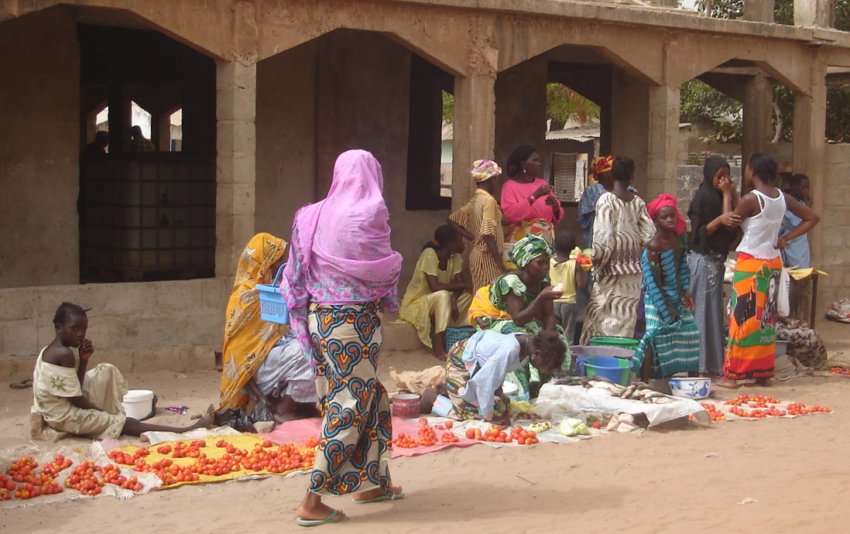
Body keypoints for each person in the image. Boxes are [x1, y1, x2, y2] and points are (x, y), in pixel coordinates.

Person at [281, 150, 403, 527]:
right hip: (354, 324)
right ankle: (312, 500)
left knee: (372, 396)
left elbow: (295, 269)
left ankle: (372, 481)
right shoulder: (370, 212)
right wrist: (389, 295)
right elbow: (381, 268)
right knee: (349, 404)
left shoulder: (309, 215)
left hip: (321, 320)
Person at [31, 302, 213, 439]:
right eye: (75, 329)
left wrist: (84, 360)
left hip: (61, 404)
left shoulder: (52, 349)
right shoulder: (63, 354)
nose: (80, 334)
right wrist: (101, 413)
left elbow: (73, 387)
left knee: (105, 370)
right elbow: (76, 399)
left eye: (84, 329)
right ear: (58, 328)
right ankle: (186, 430)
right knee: (122, 423)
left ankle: (113, 413)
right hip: (61, 415)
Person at [720, 153, 819, 388]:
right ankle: (763, 372)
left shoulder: (751, 199)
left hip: (751, 263)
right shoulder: (781, 198)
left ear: (752, 171)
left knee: (741, 318)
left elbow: (730, 219)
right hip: (772, 263)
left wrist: (726, 195)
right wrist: (785, 238)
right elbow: (812, 218)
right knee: (765, 321)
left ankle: (734, 376)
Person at [217, 233, 318, 428]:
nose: (281, 263)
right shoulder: (246, 298)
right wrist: (262, 398)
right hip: (258, 370)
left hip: (274, 358)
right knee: (307, 350)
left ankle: (302, 404)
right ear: (263, 262)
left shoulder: (273, 290)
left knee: (317, 341)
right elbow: (238, 357)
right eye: (277, 259)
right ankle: (283, 408)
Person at [478, 234, 570, 399]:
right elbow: (518, 318)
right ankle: (522, 390)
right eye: (539, 263)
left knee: (557, 333)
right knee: (521, 339)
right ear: (526, 264)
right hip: (503, 321)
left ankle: (550, 381)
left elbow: (549, 314)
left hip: (529, 321)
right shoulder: (512, 281)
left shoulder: (543, 281)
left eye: (546, 263)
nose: (545, 268)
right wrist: (541, 297)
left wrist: (549, 334)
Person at [580, 156, 655, 344]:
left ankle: (597, 362)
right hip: (633, 274)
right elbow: (650, 235)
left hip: (609, 271)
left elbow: (603, 240)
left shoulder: (606, 200)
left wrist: (596, 265)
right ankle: (621, 363)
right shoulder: (638, 202)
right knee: (625, 323)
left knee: (600, 320)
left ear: (612, 174)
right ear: (631, 175)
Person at [631, 194, 700, 381]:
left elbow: (683, 268)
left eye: (672, 215)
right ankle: (644, 381)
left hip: (675, 295)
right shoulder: (654, 246)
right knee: (653, 335)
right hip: (656, 298)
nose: (670, 220)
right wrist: (666, 311)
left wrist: (686, 292)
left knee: (692, 333)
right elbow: (653, 284)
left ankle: (691, 381)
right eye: (664, 217)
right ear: (655, 221)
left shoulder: (680, 241)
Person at [687, 156, 742, 379]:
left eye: (726, 176)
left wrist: (730, 193)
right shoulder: (703, 198)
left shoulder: (722, 196)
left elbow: (736, 221)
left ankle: (713, 363)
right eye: (719, 175)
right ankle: (698, 365)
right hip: (702, 259)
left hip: (716, 262)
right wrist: (719, 220)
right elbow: (700, 234)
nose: (722, 180)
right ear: (709, 175)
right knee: (701, 312)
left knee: (713, 314)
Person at [442, 330, 565, 423]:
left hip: (481, 370)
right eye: (543, 366)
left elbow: (497, 371)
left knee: (502, 406)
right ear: (537, 354)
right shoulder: (511, 350)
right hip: (461, 358)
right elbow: (486, 383)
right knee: (469, 414)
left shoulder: (528, 347)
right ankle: (434, 397)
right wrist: (490, 418)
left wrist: (499, 393)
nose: (542, 370)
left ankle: (451, 390)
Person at [400, 225, 473, 360]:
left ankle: (457, 335)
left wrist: (454, 299)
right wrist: (463, 285)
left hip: (441, 302)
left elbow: (459, 285)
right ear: (450, 244)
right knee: (443, 294)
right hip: (420, 302)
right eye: (459, 241)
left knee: (468, 297)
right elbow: (435, 287)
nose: (463, 244)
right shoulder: (429, 254)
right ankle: (439, 346)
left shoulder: (455, 257)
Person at [448, 160, 506, 292]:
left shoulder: (477, 199)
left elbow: (453, 220)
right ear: (490, 179)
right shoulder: (489, 200)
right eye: (496, 178)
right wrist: (499, 264)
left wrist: (474, 238)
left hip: (479, 256)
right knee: (489, 298)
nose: (497, 182)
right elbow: (487, 234)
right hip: (487, 258)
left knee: (481, 296)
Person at [500, 145, 563, 260]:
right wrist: (535, 196)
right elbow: (510, 214)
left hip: (545, 242)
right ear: (523, 164)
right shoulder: (510, 186)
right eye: (535, 160)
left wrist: (555, 207)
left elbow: (556, 216)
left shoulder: (542, 183)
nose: (539, 164)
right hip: (521, 244)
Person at [549, 228, 588, 345]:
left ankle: (553, 355)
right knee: (568, 334)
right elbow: (582, 285)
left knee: (553, 331)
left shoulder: (549, 261)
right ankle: (567, 358)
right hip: (569, 304)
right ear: (573, 248)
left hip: (552, 301)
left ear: (554, 245)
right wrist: (584, 272)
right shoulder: (575, 265)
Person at [577, 155, 614, 248]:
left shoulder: (625, 189)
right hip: (599, 235)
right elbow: (583, 215)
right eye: (614, 172)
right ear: (605, 173)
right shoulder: (593, 191)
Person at [781, 173, 812, 269]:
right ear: (794, 187)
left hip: (801, 246)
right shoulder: (786, 203)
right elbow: (794, 223)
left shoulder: (803, 204)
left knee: (802, 271)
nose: (806, 191)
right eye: (803, 188)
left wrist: (807, 207)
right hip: (789, 243)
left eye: (807, 188)